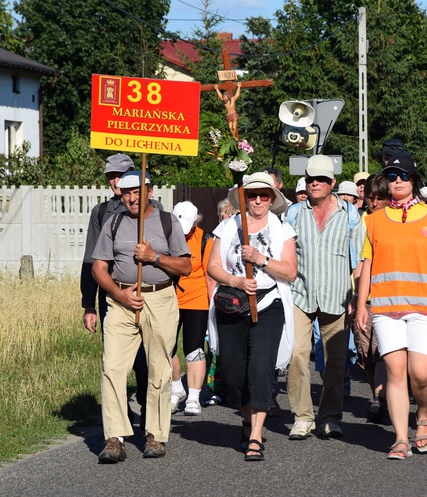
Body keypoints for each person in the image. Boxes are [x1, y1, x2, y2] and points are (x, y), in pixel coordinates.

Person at [355, 155, 427, 459]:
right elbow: (367, 266)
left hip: (424, 306)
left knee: (421, 373)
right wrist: (362, 306)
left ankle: (423, 415)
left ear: (414, 180)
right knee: (395, 373)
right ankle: (400, 438)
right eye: (392, 176)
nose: (397, 181)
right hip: (385, 307)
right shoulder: (372, 220)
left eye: (403, 175)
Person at [92, 170, 191, 462]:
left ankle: (155, 435)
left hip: (160, 298)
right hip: (121, 301)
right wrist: (119, 294)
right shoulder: (114, 222)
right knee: (113, 367)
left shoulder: (166, 220)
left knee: (159, 369)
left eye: (138, 191)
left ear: (149, 190)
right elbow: (99, 267)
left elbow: (185, 267)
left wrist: (154, 257)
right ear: (120, 195)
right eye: (126, 193)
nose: (133, 198)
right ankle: (115, 437)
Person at [206, 172, 296, 461]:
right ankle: (246, 420)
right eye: (252, 195)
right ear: (244, 198)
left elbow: (290, 272)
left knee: (260, 369)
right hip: (233, 305)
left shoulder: (283, 230)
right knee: (233, 374)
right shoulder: (227, 226)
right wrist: (236, 282)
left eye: (264, 195)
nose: (258, 200)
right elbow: (213, 266)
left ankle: (256, 435)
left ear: (272, 199)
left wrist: (261, 260)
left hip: (269, 305)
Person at [285, 154, 365, 440]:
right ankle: (303, 416)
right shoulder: (294, 213)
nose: (314, 183)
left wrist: (358, 297)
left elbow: (359, 262)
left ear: (332, 182)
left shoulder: (351, 216)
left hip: (338, 296)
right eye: (310, 179)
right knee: (297, 354)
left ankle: (329, 417)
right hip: (300, 294)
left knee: (335, 362)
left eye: (320, 179)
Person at [80, 154, 157, 431]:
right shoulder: (101, 213)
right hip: (111, 293)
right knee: (114, 361)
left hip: (147, 295)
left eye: (120, 175)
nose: (115, 180)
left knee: (145, 360)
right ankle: (120, 418)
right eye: (110, 176)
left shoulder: (152, 208)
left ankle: (151, 417)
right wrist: (88, 303)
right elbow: (91, 259)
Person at [168, 201, 214, 416]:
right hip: (169, 299)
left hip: (197, 300)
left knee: (193, 349)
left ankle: (194, 396)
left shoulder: (205, 239)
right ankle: (176, 389)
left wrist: (212, 305)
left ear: (196, 222)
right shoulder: (165, 234)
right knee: (165, 346)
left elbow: (209, 275)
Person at [354, 173, 390, 422]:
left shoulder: (394, 221)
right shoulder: (360, 222)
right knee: (366, 355)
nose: (375, 203)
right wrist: (356, 300)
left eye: (380, 198)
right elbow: (357, 263)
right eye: (371, 198)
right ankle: (377, 396)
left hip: (388, 296)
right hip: (364, 296)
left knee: (383, 353)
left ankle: (383, 400)